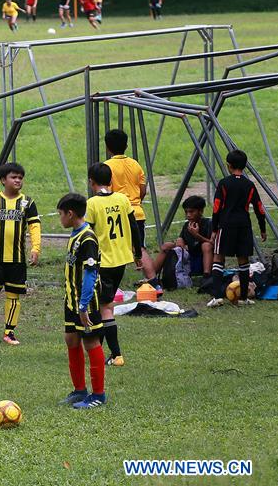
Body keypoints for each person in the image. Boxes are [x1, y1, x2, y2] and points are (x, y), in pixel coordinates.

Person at [0, 163, 41, 345]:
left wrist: (36, 248)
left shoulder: (28, 202)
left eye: (20, 177)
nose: (18, 180)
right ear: (3, 180)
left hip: (17, 260)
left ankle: (9, 332)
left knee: (13, 295)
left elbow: (34, 226)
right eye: (14, 177)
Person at [85, 163, 141, 367]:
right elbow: (134, 226)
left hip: (103, 262)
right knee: (102, 305)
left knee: (105, 307)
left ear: (91, 182)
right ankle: (97, 348)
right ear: (111, 181)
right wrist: (137, 252)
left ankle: (115, 354)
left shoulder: (92, 204)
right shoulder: (123, 199)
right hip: (121, 260)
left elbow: (88, 235)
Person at [56, 193, 107, 410]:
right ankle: (79, 390)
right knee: (71, 339)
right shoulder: (75, 234)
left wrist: (84, 305)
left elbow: (90, 273)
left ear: (70, 213)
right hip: (71, 300)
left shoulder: (87, 238)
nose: (59, 218)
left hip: (86, 302)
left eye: (60, 214)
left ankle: (98, 395)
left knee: (90, 342)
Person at [208, 150, 268, 307]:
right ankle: (243, 298)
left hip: (226, 225)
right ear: (245, 166)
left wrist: (214, 229)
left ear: (229, 166)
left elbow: (216, 208)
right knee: (243, 260)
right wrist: (263, 228)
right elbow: (260, 208)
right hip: (244, 225)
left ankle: (217, 297)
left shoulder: (224, 183)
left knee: (218, 257)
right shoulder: (250, 185)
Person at [104, 129, 158, 287]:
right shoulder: (135, 164)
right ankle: (152, 280)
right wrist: (135, 202)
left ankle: (110, 282)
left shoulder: (107, 167)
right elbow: (143, 190)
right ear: (126, 146)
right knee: (139, 246)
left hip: (116, 214)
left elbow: (107, 192)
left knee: (112, 246)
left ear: (107, 147)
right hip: (137, 212)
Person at [153, 195, 213, 278]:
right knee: (167, 245)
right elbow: (182, 241)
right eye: (186, 212)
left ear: (201, 211)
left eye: (191, 212)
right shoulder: (186, 226)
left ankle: (207, 276)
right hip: (189, 259)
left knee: (206, 245)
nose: (188, 215)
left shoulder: (209, 223)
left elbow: (214, 244)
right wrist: (179, 241)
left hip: (204, 259)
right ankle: (151, 277)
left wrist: (197, 235)